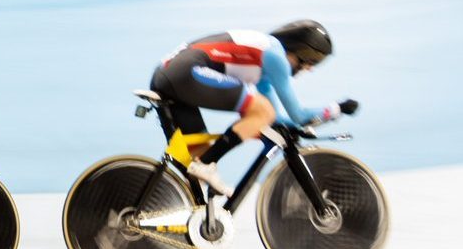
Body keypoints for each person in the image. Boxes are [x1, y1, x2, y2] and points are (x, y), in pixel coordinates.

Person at [149, 20, 357, 196]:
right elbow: (298, 114)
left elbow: (276, 119)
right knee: (262, 111)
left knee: (195, 175)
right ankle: (206, 164)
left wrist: (292, 126)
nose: (310, 68)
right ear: (298, 48)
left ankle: (176, 208)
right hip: (183, 73)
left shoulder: (262, 64)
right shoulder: (275, 56)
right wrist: (336, 109)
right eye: (312, 60)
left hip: (171, 73)